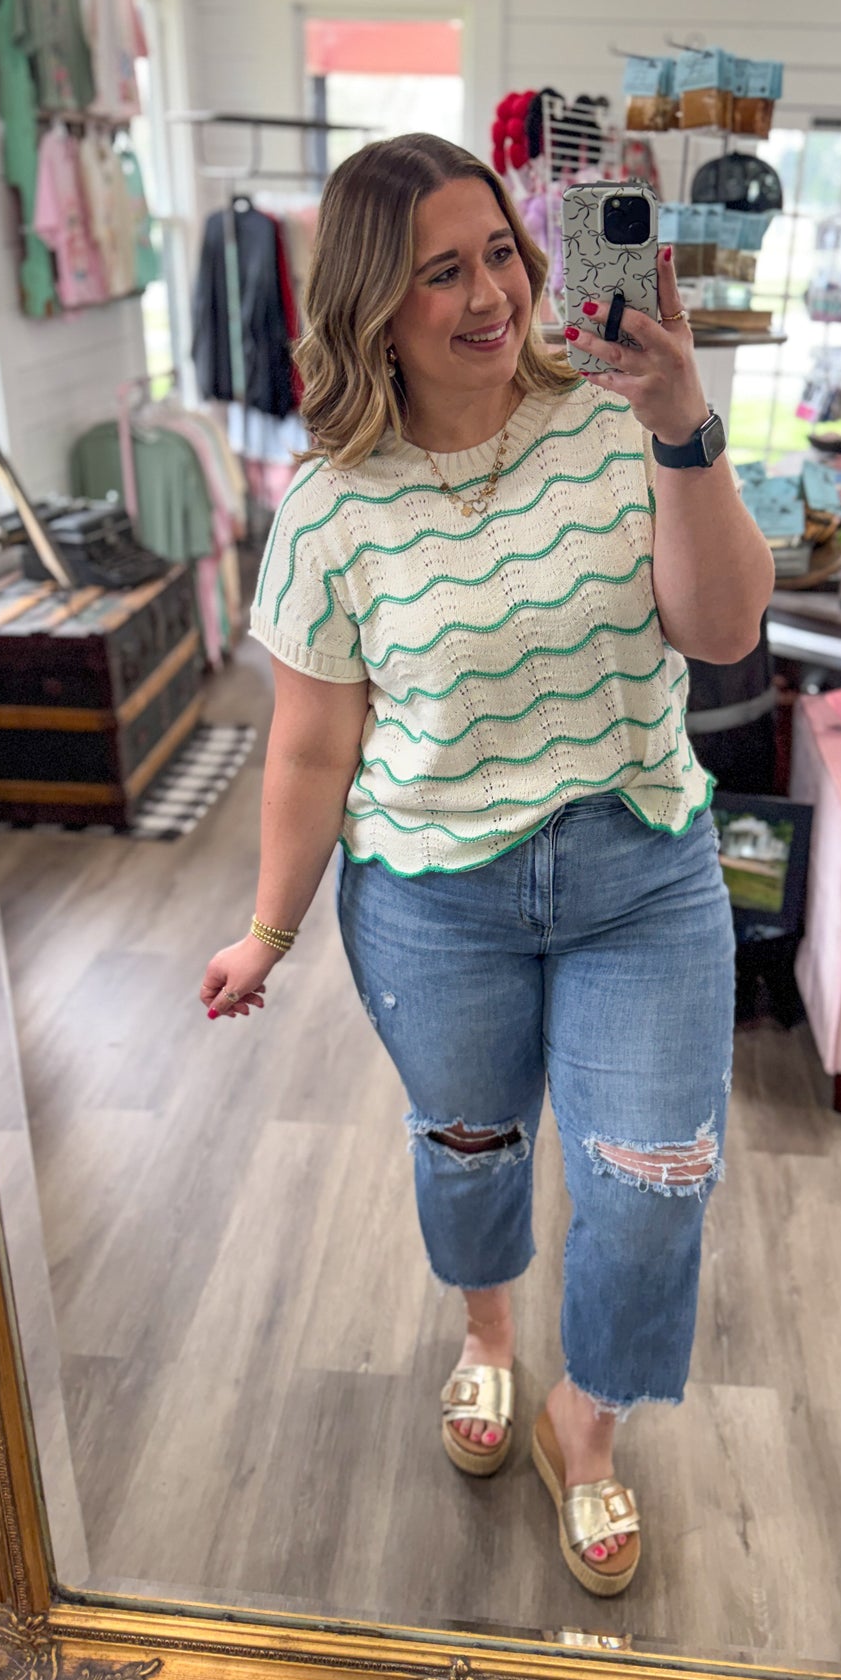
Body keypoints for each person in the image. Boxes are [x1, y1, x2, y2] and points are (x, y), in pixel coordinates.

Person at [199, 134, 773, 1596]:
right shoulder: (329, 510)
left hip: (638, 865)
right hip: (431, 897)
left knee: (651, 1182)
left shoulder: (612, 418)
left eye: (498, 255)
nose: (486, 296)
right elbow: (313, 748)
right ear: (372, 307)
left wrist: (682, 416)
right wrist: (267, 928)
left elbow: (718, 635)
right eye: (438, 271)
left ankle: (587, 1428)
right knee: (472, 1151)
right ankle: (486, 1337)